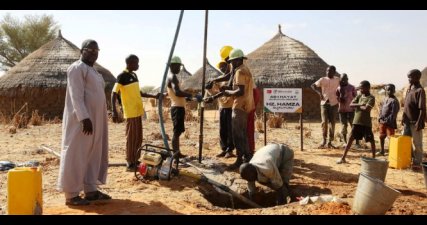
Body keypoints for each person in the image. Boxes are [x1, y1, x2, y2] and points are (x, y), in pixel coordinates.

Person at [58, 39, 111, 206]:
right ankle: (71, 194)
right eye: (90, 50)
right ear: (82, 51)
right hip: (81, 121)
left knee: (93, 154)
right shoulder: (76, 68)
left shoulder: (94, 72)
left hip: (96, 120)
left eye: (96, 51)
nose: (94, 53)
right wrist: (84, 118)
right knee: (76, 154)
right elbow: (76, 95)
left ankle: (91, 190)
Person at [111, 54, 161, 171]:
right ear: (129, 63)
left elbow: (140, 93)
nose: (138, 65)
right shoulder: (122, 76)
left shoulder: (134, 75)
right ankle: (129, 161)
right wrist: (114, 110)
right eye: (136, 63)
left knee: (138, 137)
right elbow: (114, 93)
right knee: (131, 137)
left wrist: (154, 95)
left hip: (138, 111)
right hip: (130, 111)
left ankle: (135, 159)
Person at [222, 49, 255, 170]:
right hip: (246, 105)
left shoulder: (239, 71)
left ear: (238, 60)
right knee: (243, 133)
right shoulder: (245, 70)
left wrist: (227, 92)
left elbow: (239, 91)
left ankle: (239, 159)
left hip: (239, 105)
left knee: (237, 135)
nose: (231, 64)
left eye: (232, 61)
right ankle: (247, 158)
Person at [166, 56, 201, 159]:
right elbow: (177, 92)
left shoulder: (171, 76)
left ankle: (177, 153)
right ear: (172, 65)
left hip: (179, 107)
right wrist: (191, 95)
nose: (179, 69)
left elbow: (177, 93)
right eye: (177, 66)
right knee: (176, 132)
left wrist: (189, 98)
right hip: (177, 108)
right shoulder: (173, 77)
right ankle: (175, 154)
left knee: (178, 131)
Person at [337, 80, 376, 164]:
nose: (360, 89)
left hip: (366, 123)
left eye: (362, 88)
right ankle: (343, 158)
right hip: (356, 121)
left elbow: (367, 109)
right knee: (350, 138)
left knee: (371, 140)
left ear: (367, 88)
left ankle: (374, 158)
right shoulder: (359, 96)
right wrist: (360, 105)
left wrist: (358, 106)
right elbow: (351, 105)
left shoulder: (371, 98)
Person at [204, 60, 235, 158]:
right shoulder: (219, 79)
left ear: (228, 66)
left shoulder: (232, 78)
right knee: (222, 130)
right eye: (220, 67)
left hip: (230, 106)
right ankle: (224, 148)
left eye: (224, 66)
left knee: (230, 130)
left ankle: (230, 150)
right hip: (222, 107)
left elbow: (230, 90)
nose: (222, 68)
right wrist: (208, 88)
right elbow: (213, 93)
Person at [402, 69, 426, 171]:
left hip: (415, 122)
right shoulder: (409, 89)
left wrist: (419, 122)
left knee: (418, 144)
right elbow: (406, 106)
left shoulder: (420, 90)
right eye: (408, 77)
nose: (409, 79)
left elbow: (422, 109)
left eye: (410, 77)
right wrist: (403, 116)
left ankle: (417, 163)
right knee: (405, 141)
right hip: (407, 122)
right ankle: (410, 158)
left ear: (417, 78)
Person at [311, 66, 340, 149]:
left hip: (334, 103)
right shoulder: (322, 79)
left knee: (332, 123)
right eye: (327, 70)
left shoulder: (337, 79)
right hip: (324, 103)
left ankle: (330, 141)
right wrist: (319, 93)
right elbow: (313, 85)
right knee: (324, 122)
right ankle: (324, 140)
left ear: (334, 72)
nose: (328, 72)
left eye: (330, 71)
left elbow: (344, 86)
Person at [335, 73, 359, 147]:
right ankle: (345, 142)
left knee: (353, 126)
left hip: (351, 110)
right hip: (342, 110)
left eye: (344, 79)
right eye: (342, 80)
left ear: (347, 79)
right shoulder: (338, 88)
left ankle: (357, 143)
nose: (343, 81)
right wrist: (340, 99)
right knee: (343, 126)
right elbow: (336, 97)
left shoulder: (352, 87)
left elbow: (356, 98)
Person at [378, 84, 400, 156]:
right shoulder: (385, 99)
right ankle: (382, 150)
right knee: (381, 136)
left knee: (391, 138)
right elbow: (381, 109)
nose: (389, 91)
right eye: (388, 89)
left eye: (391, 89)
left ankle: (392, 152)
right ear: (386, 91)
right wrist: (380, 117)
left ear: (394, 91)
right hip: (382, 121)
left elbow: (394, 113)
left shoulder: (394, 101)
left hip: (390, 123)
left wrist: (387, 120)